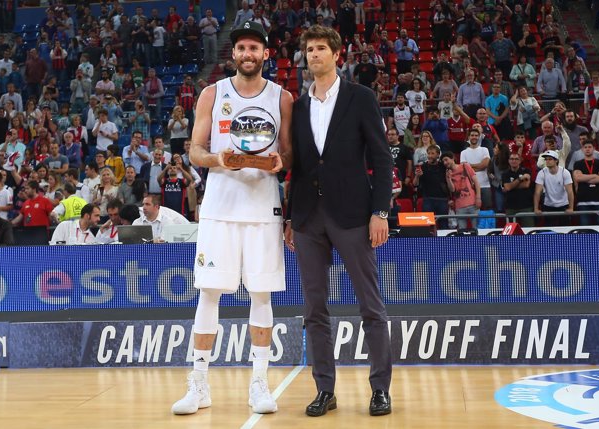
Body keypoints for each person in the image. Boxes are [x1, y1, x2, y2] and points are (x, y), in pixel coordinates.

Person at [171, 21, 293, 417]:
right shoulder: (212, 93)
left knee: (261, 293)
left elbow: (288, 154)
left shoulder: (282, 97)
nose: (246, 53)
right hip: (220, 208)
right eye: (241, 47)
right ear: (233, 53)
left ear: (265, 54)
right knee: (209, 292)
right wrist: (218, 159)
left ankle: (259, 382)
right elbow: (195, 150)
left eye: (254, 48)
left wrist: (280, 162)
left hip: (262, 208)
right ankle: (199, 383)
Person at [285, 25, 392, 417]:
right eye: (309, 49)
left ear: (337, 54)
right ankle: (324, 389)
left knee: (370, 306)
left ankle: (380, 388)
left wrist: (380, 212)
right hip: (307, 218)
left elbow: (382, 159)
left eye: (320, 48)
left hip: (353, 215)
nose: (314, 54)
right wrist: (289, 217)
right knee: (314, 309)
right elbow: (297, 168)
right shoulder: (297, 107)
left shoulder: (361, 98)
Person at [534, 150, 574, 227]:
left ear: (556, 161)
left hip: (563, 205)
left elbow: (570, 191)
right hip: (548, 205)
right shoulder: (542, 173)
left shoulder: (564, 172)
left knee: (565, 230)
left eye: (550, 159)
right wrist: (536, 208)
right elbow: (537, 192)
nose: (547, 161)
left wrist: (571, 208)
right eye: (546, 159)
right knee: (550, 231)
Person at [442, 151, 482, 230]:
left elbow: (477, 182)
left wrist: (478, 198)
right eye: (443, 161)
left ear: (452, 158)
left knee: (476, 230)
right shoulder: (447, 174)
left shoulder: (465, 166)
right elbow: (452, 190)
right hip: (459, 207)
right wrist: (448, 179)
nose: (445, 163)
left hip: (473, 203)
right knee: (461, 232)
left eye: (446, 160)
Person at [572, 140, 599, 225]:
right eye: (585, 147)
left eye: (589, 147)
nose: (587, 149)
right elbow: (577, 178)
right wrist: (595, 175)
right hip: (583, 199)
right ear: (582, 149)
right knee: (585, 228)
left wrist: (585, 177)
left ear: (594, 149)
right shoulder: (578, 163)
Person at [413, 145, 449, 228]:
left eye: (432, 153)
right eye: (428, 153)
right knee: (427, 226)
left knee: (444, 224)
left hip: (442, 199)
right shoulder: (423, 167)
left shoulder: (443, 166)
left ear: (438, 155)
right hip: (428, 199)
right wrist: (417, 176)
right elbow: (415, 184)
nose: (430, 156)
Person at [460, 129, 492, 209]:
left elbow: (485, 165)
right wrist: (479, 166)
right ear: (469, 137)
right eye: (472, 135)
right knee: (473, 212)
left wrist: (470, 166)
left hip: (485, 185)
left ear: (479, 137)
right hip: (470, 186)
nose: (474, 137)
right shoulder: (463, 152)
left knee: (486, 210)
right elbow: (464, 169)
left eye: (476, 135)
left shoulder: (485, 149)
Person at [502, 152, 534, 227]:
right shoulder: (505, 174)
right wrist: (520, 179)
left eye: (516, 159)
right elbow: (507, 187)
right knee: (511, 232)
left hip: (526, 206)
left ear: (520, 161)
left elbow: (526, 185)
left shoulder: (526, 171)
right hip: (510, 207)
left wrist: (511, 185)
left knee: (528, 231)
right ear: (508, 161)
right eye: (512, 159)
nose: (514, 161)